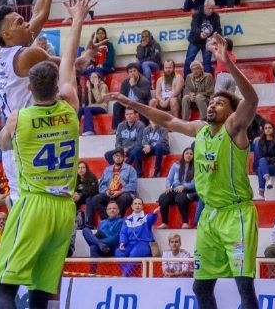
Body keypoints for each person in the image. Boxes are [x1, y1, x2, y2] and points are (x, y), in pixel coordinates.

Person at [109, 32, 261, 309]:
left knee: (244, 287)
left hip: (236, 213)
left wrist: (226, 61)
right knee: (200, 287)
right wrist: (131, 104)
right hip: (209, 216)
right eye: (211, 101)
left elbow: (251, 100)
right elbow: (167, 118)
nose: (213, 104)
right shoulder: (200, 129)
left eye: (219, 102)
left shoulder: (235, 129)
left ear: (231, 111)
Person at [0, 0, 91, 309]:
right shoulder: (71, 107)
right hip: (64, 209)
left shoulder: (20, 119)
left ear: (29, 88)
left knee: (5, 288)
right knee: (41, 292)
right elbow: (69, 67)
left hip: (33, 203)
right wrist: (77, 20)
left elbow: (1, 143)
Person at [0, 0, 87, 202]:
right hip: (25, 141)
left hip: (25, 136)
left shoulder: (7, 54)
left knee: (35, 208)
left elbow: (39, 12)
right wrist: (77, 56)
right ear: (8, 34)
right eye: (20, 22)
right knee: (29, 210)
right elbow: (63, 63)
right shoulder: (28, 55)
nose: (27, 24)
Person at [157, 148, 196, 229]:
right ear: (183, 154)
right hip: (175, 189)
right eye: (187, 153)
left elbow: (195, 183)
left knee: (180, 198)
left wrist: (184, 186)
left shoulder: (196, 167)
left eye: (191, 154)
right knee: (163, 197)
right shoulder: (175, 165)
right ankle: (164, 223)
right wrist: (168, 186)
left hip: (187, 190)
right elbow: (169, 179)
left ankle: (185, 222)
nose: (189, 155)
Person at [115, 198, 159, 269]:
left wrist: (155, 213)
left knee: (134, 254)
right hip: (130, 243)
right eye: (135, 204)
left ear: (142, 206)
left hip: (143, 243)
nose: (137, 205)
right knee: (119, 252)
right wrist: (122, 243)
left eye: (139, 204)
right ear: (132, 206)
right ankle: (127, 274)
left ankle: (125, 276)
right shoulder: (127, 219)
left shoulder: (146, 217)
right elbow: (123, 233)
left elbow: (152, 219)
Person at [92, 149, 138, 217]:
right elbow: (101, 185)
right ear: (113, 157)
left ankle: (118, 219)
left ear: (124, 157)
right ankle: (107, 219)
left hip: (124, 194)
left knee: (123, 198)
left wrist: (120, 191)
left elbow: (133, 185)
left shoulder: (130, 169)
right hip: (110, 194)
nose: (118, 158)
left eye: (120, 156)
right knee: (95, 199)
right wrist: (106, 191)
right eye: (116, 156)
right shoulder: (107, 169)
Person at [184, 0, 221, 75]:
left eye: (212, 8)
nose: (211, 10)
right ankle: (186, 81)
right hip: (195, 41)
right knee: (189, 61)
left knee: (207, 62)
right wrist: (200, 34)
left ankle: (208, 82)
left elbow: (218, 29)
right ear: (205, 6)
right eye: (209, 8)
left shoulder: (216, 16)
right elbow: (194, 27)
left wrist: (213, 37)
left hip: (208, 42)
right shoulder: (197, 14)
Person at [254, 122, 275, 198]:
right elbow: (260, 157)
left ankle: (261, 194)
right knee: (261, 163)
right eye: (266, 128)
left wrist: (266, 160)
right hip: (268, 165)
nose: (268, 130)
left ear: (273, 129)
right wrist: (272, 161)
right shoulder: (260, 142)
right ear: (263, 130)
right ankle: (267, 179)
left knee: (261, 165)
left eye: (270, 128)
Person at [74, 161, 99, 228]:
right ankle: (74, 222)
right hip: (79, 197)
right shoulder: (75, 178)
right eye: (78, 168)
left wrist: (80, 196)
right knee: (72, 200)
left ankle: (89, 223)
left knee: (89, 199)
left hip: (90, 196)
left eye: (83, 167)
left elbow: (92, 191)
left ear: (86, 169)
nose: (80, 169)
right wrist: (74, 194)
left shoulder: (91, 176)